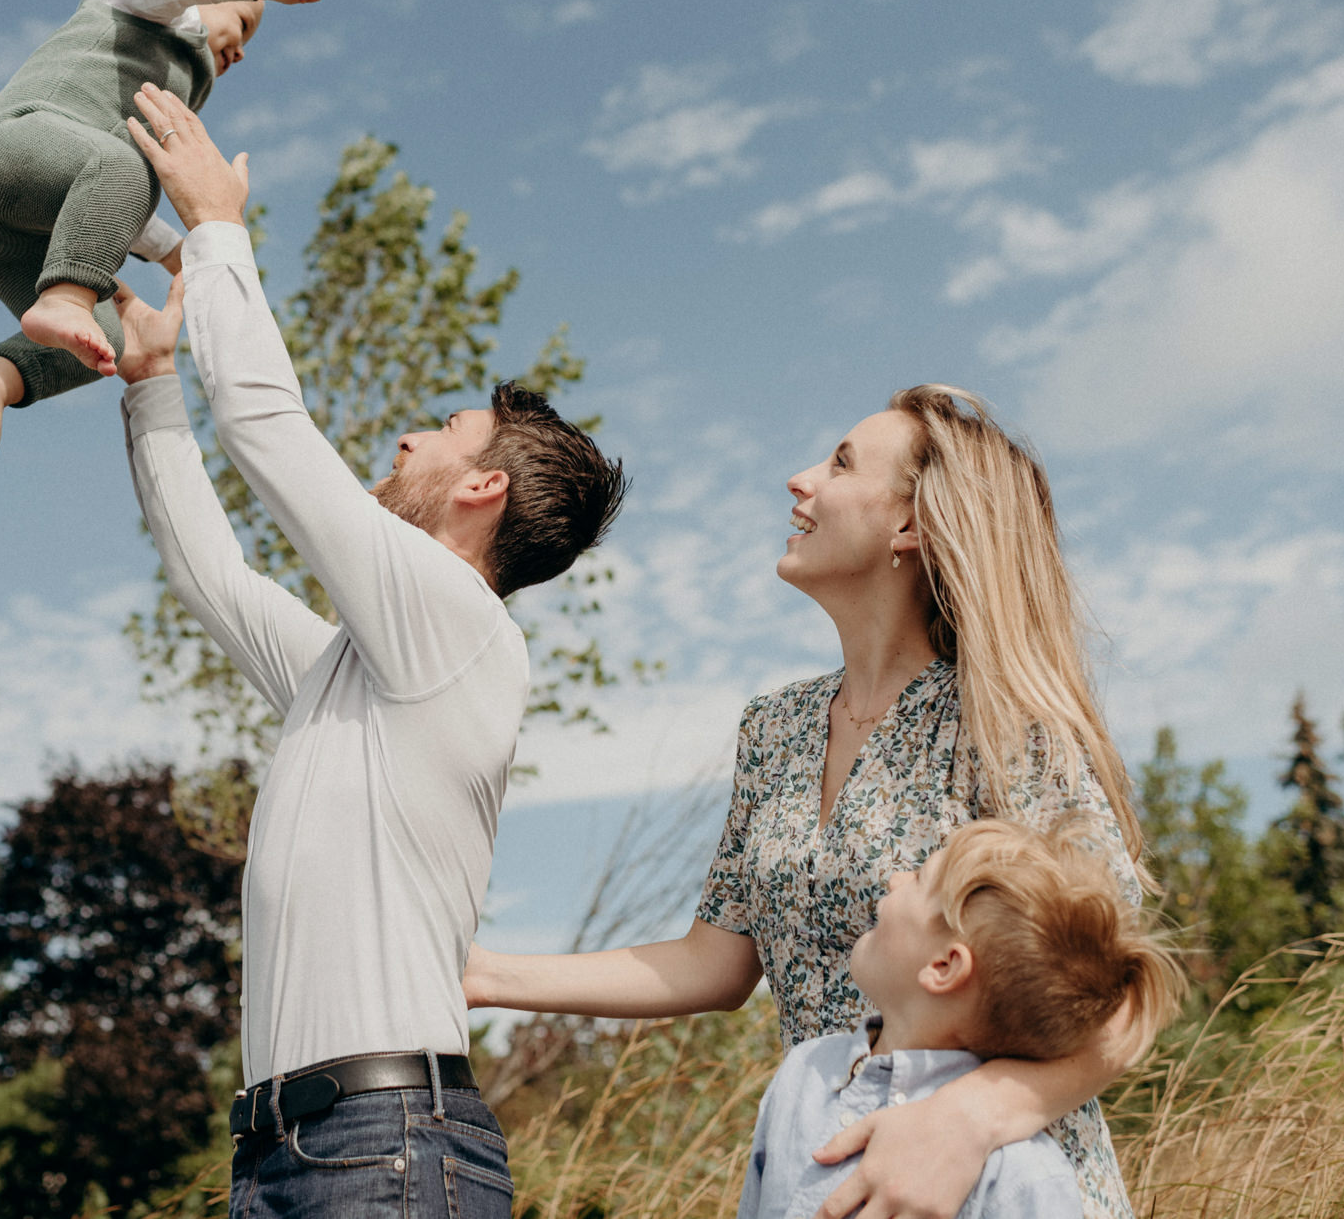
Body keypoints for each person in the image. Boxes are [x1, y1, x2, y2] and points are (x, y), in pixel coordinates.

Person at [108, 81, 628, 1219]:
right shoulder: (362, 673)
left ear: (481, 486)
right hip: (286, 1154)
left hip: (387, 1149)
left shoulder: (458, 624)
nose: (404, 433)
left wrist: (214, 225)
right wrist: (150, 390)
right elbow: (215, 580)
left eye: (441, 428)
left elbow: (268, 430)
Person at [464, 386, 1153, 1219]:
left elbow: (1119, 992)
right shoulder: (776, 730)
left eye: (840, 462)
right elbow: (716, 962)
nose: (799, 481)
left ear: (910, 525)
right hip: (823, 1166)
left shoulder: (1008, 722)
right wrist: (486, 975)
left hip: (999, 1183)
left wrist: (971, 1119)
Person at [0, 0, 324, 480]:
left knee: (110, 342)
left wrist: (177, 253)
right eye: (243, 22)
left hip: (1, 225)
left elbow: (110, 199)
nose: (242, 50)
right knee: (128, 165)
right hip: (10, 148)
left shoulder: (169, 91)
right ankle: (64, 297)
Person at [740, 817, 1184, 1219]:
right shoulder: (803, 1075)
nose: (894, 880)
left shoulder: (1020, 1178)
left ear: (944, 967)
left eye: (918, 878)